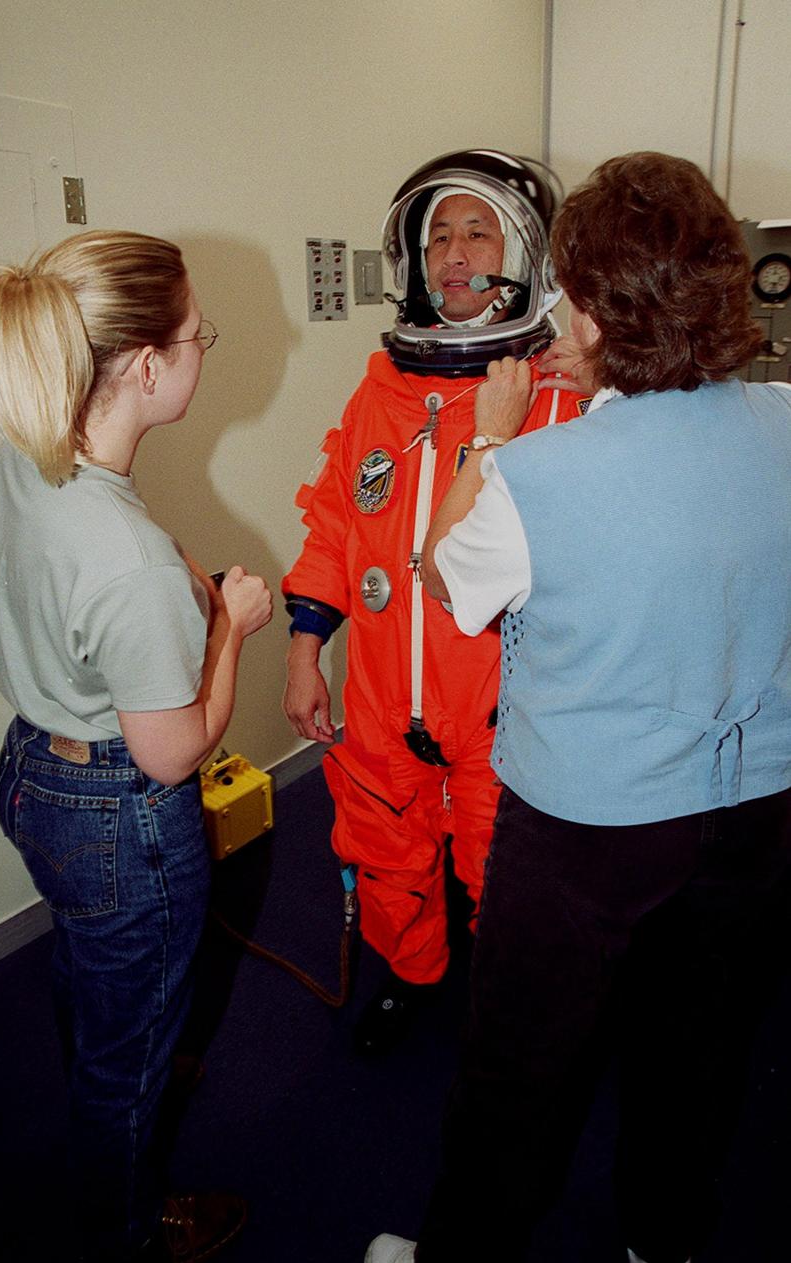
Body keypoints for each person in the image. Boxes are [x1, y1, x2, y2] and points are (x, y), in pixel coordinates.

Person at [364, 151, 791, 1263]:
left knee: (519, 1064)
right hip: (752, 814)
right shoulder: (787, 421)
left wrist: (492, 433)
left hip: (585, 830)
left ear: (590, 305)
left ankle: (459, 1259)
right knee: (696, 1041)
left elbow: (439, 577)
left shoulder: (535, 476)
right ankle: (664, 1240)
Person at [0, 229, 273, 1263]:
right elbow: (176, 753)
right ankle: (129, 1234)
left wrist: (185, 581)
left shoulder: (19, 460)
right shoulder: (131, 562)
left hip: (31, 775)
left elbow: (111, 558)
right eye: (200, 334)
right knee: (135, 1044)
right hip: (116, 814)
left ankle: (104, 1070)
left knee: (91, 975)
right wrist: (229, 624)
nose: (207, 347)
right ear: (147, 365)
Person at [282, 150, 588, 1055]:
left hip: (504, 706)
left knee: (510, 872)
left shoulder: (557, 397)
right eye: (438, 237)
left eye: (476, 232)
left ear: (521, 256)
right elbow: (337, 523)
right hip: (383, 697)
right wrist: (304, 648)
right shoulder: (380, 392)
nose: (453, 254)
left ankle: (508, 1006)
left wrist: (606, 375)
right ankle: (412, 975)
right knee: (386, 853)